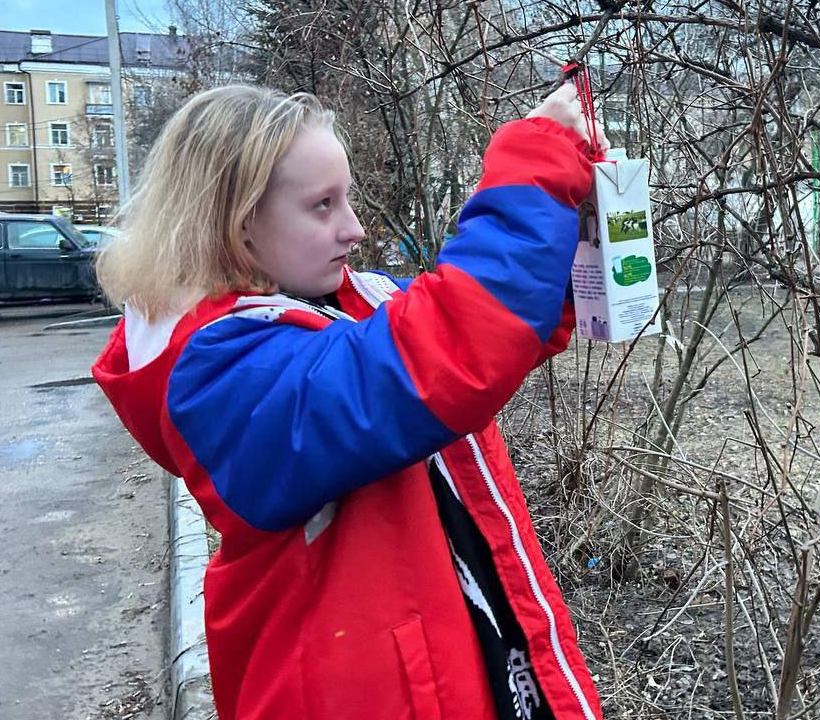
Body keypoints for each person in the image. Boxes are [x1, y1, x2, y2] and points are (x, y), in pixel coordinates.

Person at [93, 82, 608, 720]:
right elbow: (443, 353)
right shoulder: (219, 377)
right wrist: (535, 164)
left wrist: (574, 232)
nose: (354, 228)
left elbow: (483, 333)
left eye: (349, 198)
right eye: (321, 205)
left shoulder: (336, 307)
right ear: (238, 221)